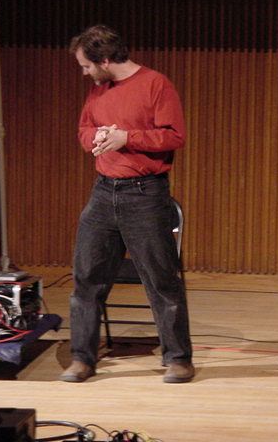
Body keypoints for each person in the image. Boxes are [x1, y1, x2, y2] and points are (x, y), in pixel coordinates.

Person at [60, 24, 194, 383]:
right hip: (104, 192)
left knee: (161, 280)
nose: (84, 73)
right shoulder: (98, 89)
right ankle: (82, 359)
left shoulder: (155, 84)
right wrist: (99, 136)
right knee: (87, 277)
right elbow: (83, 131)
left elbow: (174, 136)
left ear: (105, 60)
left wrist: (126, 138)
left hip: (144, 194)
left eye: (87, 65)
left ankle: (178, 359)